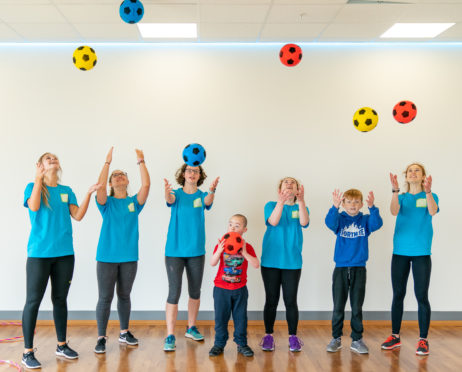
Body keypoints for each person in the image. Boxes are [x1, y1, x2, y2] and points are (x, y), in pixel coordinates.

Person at [22, 152, 100, 369]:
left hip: (65, 254)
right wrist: (38, 178)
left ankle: (61, 345)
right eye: (48, 158)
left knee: (60, 299)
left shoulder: (66, 191)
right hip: (39, 254)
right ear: (40, 165)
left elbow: (78, 215)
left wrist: (88, 194)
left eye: (55, 158)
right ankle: (27, 352)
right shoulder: (32, 187)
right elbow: (35, 206)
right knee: (33, 301)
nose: (53, 159)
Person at [93, 147, 150, 354]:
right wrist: (107, 163)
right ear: (110, 183)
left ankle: (124, 332)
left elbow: (146, 184)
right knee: (105, 297)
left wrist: (141, 161)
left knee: (124, 295)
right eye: (114, 176)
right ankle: (101, 338)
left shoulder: (134, 202)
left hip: (129, 257)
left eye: (121, 174)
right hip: (106, 257)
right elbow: (99, 187)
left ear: (127, 180)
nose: (118, 177)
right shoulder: (106, 203)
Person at [381, 163, 439, 356]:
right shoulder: (402, 197)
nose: (413, 173)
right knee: (398, 294)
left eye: (417, 170)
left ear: (423, 176)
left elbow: (432, 211)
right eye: (410, 171)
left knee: (421, 296)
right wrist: (395, 190)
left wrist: (428, 192)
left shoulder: (431, 196)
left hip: (422, 253)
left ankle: (423, 340)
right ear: (406, 177)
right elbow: (394, 211)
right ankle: (395, 337)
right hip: (400, 253)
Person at [163, 163, 219, 351]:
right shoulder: (177, 194)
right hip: (174, 252)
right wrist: (166, 191)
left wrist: (212, 190)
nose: (192, 173)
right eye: (189, 171)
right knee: (174, 292)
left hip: (196, 251)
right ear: (183, 174)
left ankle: (191, 327)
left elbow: (208, 202)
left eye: (196, 171)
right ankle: (170, 335)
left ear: (199, 175)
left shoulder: (202, 196)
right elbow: (169, 199)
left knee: (195, 292)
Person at [325, 189, 383, 354]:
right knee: (338, 306)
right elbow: (330, 223)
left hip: (359, 268)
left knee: (356, 306)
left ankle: (357, 339)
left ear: (361, 204)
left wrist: (373, 208)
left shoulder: (365, 220)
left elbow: (377, 224)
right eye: (349, 202)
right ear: (343, 204)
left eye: (357, 202)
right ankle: (336, 338)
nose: (353, 205)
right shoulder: (339, 219)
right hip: (341, 268)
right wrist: (334, 207)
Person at [260, 177, 309, 352]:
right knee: (271, 300)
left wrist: (301, 201)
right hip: (270, 261)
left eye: (292, 182)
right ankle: (268, 336)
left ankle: (293, 338)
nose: (289, 184)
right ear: (279, 188)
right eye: (285, 182)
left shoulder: (301, 206)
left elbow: (304, 222)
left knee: (290, 300)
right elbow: (273, 221)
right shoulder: (270, 205)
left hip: (292, 262)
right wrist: (281, 202)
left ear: (297, 189)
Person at [208, 214, 260, 357]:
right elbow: (212, 263)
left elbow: (256, 264)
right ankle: (219, 344)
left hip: (240, 290)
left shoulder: (247, 247)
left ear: (244, 229)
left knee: (241, 319)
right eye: (230, 224)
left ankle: (241, 344)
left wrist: (244, 252)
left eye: (237, 225)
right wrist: (219, 250)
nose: (233, 227)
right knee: (220, 319)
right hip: (221, 289)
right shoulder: (221, 245)